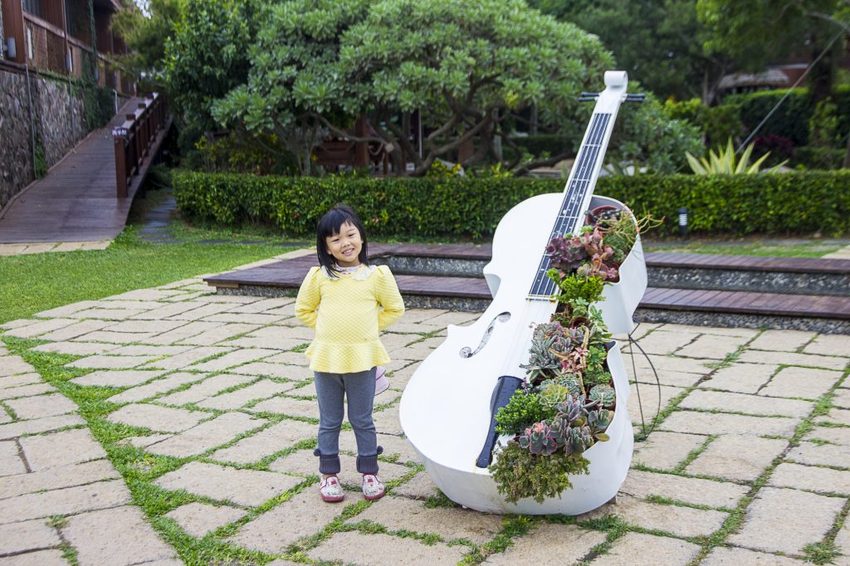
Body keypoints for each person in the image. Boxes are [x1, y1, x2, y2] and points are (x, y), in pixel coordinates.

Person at [295, 204, 405, 503]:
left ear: (361, 237)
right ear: (327, 248)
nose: (345, 243)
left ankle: (369, 471)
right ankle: (328, 473)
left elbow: (395, 307)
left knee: (362, 419)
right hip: (327, 359)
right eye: (335, 239)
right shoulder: (318, 277)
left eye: (350, 234)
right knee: (329, 420)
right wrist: (326, 329)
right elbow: (303, 309)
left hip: (362, 360)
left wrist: (369, 328)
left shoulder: (377, 275)